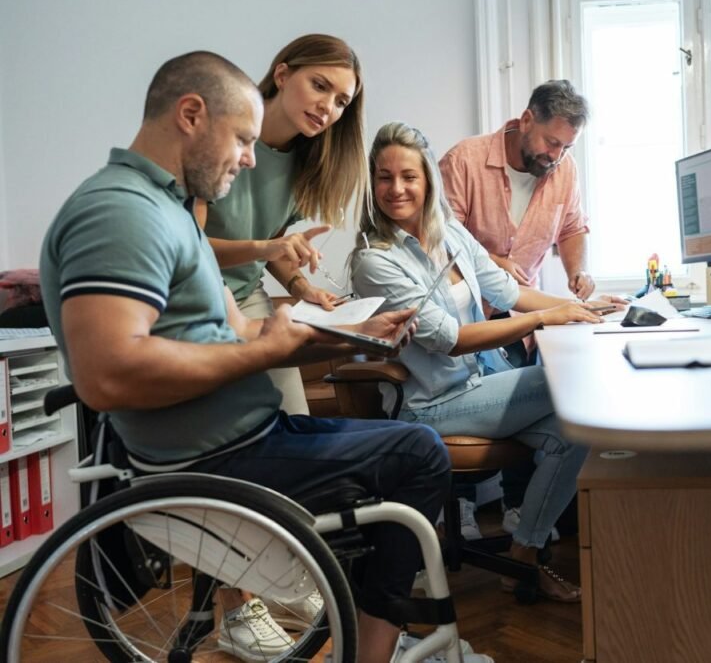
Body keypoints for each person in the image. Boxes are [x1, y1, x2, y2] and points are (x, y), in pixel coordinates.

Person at [38, 52, 454, 663]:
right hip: (216, 458)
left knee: (405, 447)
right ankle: (370, 651)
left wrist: (351, 334)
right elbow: (107, 375)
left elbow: (245, 336)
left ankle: (367, 641)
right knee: (418, 452)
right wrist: (267, 350)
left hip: (243, 437)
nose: (251, 158)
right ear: (190, 115)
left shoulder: (171, 210)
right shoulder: (121, 212)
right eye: (241, 139)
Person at [351, 121, 620, 603]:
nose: (397, 189)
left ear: (428, 180)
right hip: (437, 403)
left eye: (409, 176)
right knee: (574, 385)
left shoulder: (450, 231)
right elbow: (449, 340)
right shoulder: (375, 261)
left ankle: (523, 555)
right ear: (372, 184)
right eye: (385, 177)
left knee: (573, 432)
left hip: (484, 386)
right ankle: (533, 554)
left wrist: (581, 309)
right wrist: (548, 320)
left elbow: (508, 292)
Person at [439, 80, 599, 530]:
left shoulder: (562, 171)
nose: (556, 156)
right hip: (464, 316)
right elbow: (438, 240)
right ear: (526, 119)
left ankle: (518, 511)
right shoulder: (464, 160)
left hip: (516, 312)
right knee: (491, 405)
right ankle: (462, 510)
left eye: (567, 147)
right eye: (552, 142)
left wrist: (576, 274)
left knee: (531, 404)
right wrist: (493, 262)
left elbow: (572, 227)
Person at [197, 34, 369, 415]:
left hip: (248, 298)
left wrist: (301, 285)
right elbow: (188, 250)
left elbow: (270, 238)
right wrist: (266, 248)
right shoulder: (219, 138)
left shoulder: (305, 164)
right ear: (282, 75)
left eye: (341, 102)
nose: (327, 107)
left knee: (294, 420)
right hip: (193, 301)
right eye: (319, 86)